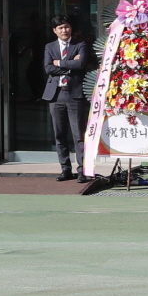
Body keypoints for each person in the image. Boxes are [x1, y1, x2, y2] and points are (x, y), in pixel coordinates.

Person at [42, 18, 91, 181]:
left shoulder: (80, 45)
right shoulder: (50, 47)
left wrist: (60, 63)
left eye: (67, 27)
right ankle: (65, 169)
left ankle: (83, 170)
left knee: (79, 135)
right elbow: (48, 68)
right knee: (59, 134)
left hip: (74, 94)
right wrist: (70, 65)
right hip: (56, 95)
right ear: (54, 30)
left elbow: (81, 64)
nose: (64, 30)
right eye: (60, 27)